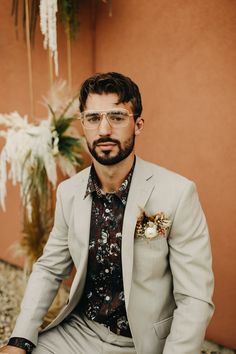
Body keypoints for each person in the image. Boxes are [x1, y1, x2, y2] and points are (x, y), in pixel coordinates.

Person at [0, 72, 214, 354]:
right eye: (93, 118)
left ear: (137, 124)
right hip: (78, 333)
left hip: (141, 343)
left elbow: (195, 298)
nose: (103, 130)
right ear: (83, 124)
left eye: (116, 117)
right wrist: (20, 340)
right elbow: (50, 269)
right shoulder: (69, 192)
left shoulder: (177, 193)